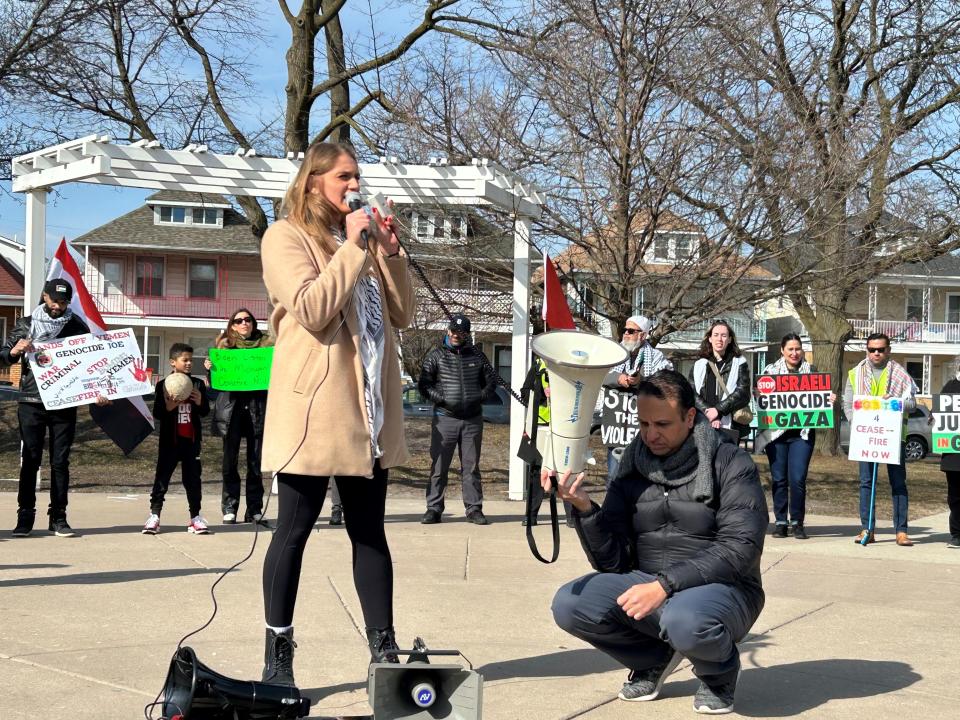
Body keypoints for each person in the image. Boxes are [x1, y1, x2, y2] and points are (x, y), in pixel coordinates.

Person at [258, 141, 415, 687]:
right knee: (293, 531)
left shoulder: (362, 242)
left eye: (358, 176)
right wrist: (352, 249)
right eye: (344, 176)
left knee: (370, 531)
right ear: (313, 181)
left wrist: (389, 254)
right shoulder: (285, 237)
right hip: (314, 411)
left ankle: (384, 651)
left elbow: (402, 313)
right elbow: (312, 309)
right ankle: (278, 653)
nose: (355, 185)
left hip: (366, 409)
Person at [547, 370, 766, 715]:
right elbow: (614, 562)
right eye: (644, 424)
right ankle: (653, 658)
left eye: (662, 424)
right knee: (570, 604)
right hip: (652, 584)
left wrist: (666, 584)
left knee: (684, 619)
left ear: (690, 417)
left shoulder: (729, 462)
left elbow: (740, 547)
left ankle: (719, 673)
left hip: (725, 589)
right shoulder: (631, 466)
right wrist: (585, 509)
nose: (651, 435)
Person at [2, 280, 109, 538]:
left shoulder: (76, 326)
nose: (58, 307)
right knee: (30, 459)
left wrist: (97, 390)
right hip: (31, 400)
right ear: (44, 297)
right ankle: (24, 517)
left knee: (60, 461)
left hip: (64, 402)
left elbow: (91, 362)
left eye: (63, 303)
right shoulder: (27, 324)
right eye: (54, 301)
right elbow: (3, 355)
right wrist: (15, 350)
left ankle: (59, 518)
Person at [418, 313, 497, 525]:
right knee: (439, 466)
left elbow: (491, 383)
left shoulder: (479, 356)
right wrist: (442, 399)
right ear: (447, 330)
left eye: (461, 332)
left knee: (471, 467)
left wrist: (479, 397)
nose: (456, 335)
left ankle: (473, 509)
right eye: (453, 330)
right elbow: (424, 385)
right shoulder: (436, 356)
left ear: (467, 334)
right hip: (445, 419)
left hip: (472, 420)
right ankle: (434, 508)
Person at [758, 333, 836, 540]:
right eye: (790, 349)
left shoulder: (812, 372)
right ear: (782, 351)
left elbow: (820, 399)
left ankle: (798, 522)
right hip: (776, 435)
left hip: (802, 434)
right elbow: (760, 402)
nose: (794, 353)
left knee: (798, 478)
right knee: (779, 479)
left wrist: (828, 399)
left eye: (798, 349)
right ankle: (781, 522)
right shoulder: (770, 372)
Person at [843, 332, 917, 546]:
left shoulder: (901, 375)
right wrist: (857, 425)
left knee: (898, 483)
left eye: (881, 349)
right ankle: (868, 529)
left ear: (888, 350)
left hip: (893, 438)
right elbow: (848, 405)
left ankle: (901, 531)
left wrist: (897, 401)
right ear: (867, 350)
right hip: (866, 437)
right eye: (872, 349)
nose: (876, 353)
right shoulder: (855, 374)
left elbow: (913, 404)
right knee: (867, 482)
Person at [205, 308, 271, 525]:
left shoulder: (266, 347)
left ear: (253, 323)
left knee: (255, 462)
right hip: (231, 410)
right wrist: (210, 368)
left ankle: (254, 509)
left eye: (248, 320)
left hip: (257, 409)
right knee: (229, 461)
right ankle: (229, 507)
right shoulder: (224, 348)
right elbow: (216, 384)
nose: (244, 323)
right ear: (232, 325)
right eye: (239, 320)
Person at [142, 343, 211, 535]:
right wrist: (170, 406)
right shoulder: (163, 384)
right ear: (173, 362)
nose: (189, 363)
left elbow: (205, 411)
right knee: (162, 479)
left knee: (193, 480)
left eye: (191, 360)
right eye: (185, 360)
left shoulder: (197, 384)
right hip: (169, 442)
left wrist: (199, 402)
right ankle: (154, 516)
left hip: (191, 441)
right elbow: (157, 413)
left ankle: (195, 517)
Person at [602, 315, 673, 485]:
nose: (625, 334)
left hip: (642, 428)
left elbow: (665, 381)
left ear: (642, 335)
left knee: (641, 477)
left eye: (631, 331)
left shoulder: (656, 357)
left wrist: (641, 381)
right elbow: (599, 375)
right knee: (614, 476)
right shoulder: (614, 353)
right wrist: (618, 378)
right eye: (624, 330)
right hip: (617, 427)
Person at [520, 350, 574, 527]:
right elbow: (524, 392)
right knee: (536, 471)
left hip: (563, 427)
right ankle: (531, 515)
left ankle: (571, 516)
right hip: (540, 426)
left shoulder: (569, 368)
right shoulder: (537, 367)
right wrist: (541, 394)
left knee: (565, 471)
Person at [690, 320, 751, 444]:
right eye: (716, 335)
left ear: (729, 339)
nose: (719, 339)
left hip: (729, 426)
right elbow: (691, 393)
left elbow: (743, 393)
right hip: (703, 422)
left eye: (724, 335)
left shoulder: (740, 363)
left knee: (726, 461)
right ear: (710, 338)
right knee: (704, 461)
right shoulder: (699, 365)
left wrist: (718, 411)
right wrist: (709, 414)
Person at [936, 357, 960, 549]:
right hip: (954, 454)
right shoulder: (950, 387)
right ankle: (957, 534)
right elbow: (937, 415)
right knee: (956, 496)